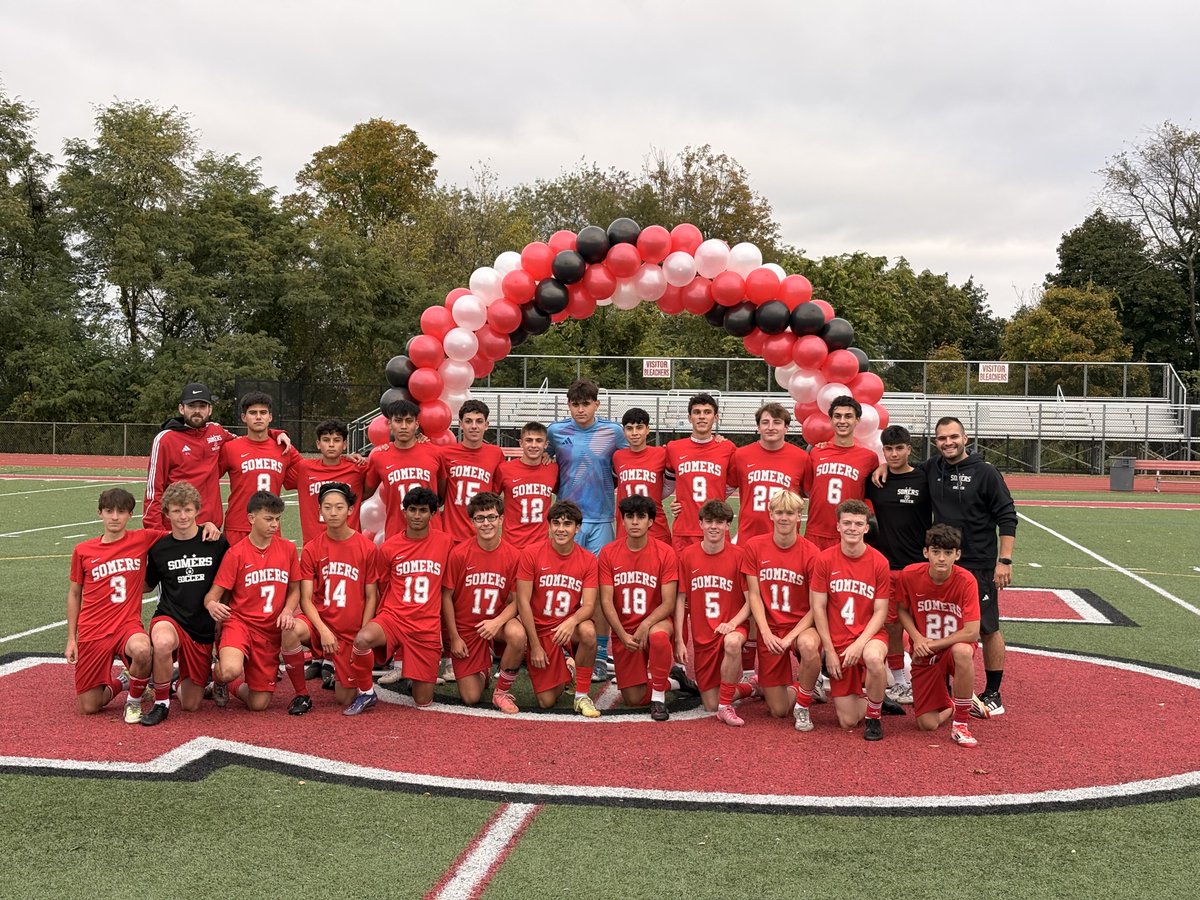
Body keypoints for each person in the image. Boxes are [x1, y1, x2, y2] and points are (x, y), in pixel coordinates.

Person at [926, 416, 1017, 717]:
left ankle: (993, 693)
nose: (948, 443)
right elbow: (904, 472)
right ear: (935, 442)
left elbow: (1007, 516)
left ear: (965, 438)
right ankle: (944, 689)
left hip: (979, 563)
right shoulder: (932, 468)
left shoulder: (985, 472)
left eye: (953, 436)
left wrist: (1004, 561)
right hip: (944, 563)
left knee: (987, 627)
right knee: (944, 624)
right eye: (942, 438)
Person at [545, 380, 626, 680]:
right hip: (567, 522)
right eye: (575, 404)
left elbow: (635, 458)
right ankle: (563, 649)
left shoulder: (613, 432)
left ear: (596, 404)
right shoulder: (556, 432)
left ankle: (601, 654)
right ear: (569, 405)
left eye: (586, 404)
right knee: (563, 586)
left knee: (603, 590)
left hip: (602, 519)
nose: (580, 409)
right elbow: (544, 457)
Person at [347, 487, 454, 712]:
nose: (417, 515)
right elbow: (383, 585)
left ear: (433, 514)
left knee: (422, 701)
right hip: (394, 618)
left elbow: (448, 589)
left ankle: (414, 670)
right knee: (363, 639)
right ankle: (366, 693)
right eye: (412, 510)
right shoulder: (389, 547)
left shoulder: (446, 543)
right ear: (404, 512)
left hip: (425, 626)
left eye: (423, 510)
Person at [282, 483, 383, 716]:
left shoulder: (367, 548)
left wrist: (363, 633)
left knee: (343, 698)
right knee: (289, 629)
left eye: (339, 507)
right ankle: (301, 694)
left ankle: (340, 671)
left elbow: (371, 595)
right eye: (327, 507)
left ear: (350, 510)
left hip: (349, 631)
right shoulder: (312, 548)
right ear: (320, 510)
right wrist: (323, 630)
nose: (333, 512)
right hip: (320, 624)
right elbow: (306, 599)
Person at [66, 488, 165, 722]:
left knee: (142, 649)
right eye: (109, 511)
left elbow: (183, 534)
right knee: (89, 706)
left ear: (130, 515)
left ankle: (134, 701)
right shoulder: (83, 550)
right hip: (93, 629)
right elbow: (74, 594)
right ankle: (125, 680)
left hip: (126, 626)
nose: (114, 517)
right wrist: (71, 638)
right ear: (99, 513)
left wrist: (207, 527)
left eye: (121, 512)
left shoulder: (142, 538)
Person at [144, 382, 290, 531]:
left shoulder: (216, 432)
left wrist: (275, 433)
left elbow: (249, 439)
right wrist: (155, 531)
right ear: (181, 409)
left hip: (211, 529)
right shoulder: (165, 439)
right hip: (178, 528)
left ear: (210, 409)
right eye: (191, 406)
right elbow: (153, 490)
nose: (197, 411)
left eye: (202, 406)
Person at [142, 481, 229, 725]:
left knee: (191, 704)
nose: (183, 516)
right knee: (162, 642)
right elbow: (147, 585)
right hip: (170, 617)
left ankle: (171, 682)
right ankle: (161, 703)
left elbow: (229, 581)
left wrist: (223, 620)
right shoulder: (159, 548)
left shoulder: (215, 541)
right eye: (177, 510)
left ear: (197, 510)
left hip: (201, 627)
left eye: (188, 510)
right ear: (166, 513)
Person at [204, 491, 300, 712]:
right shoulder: (236, 553)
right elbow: (212, 595)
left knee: (259, 704)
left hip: (269, 631)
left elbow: (294, 589)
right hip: (240, 623)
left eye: (277, 519)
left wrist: (288, 610)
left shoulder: (287, 549)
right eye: (268, 519)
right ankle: (219, 679)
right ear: (251, 518)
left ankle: (232, 687)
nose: (274, 524)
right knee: (230, 669)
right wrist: (212, 605)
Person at [598, 495, 687, 721]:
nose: (635, 522)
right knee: (633, 698)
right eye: (630, 517)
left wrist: (646, 624)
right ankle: (675, 682)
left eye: (641, 517)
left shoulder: (665, 552)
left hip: (656, 621)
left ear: (651, 521)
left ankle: (658, 698)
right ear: (623, 520)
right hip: (625, 629)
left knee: (658, 636)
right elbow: (606, 601)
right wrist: (621, 634)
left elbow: (668, 602)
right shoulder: (609, 552)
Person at [894, 524, 983, 747]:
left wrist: (932, 644)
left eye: (948, 552)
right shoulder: (910, 575)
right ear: (926, 552)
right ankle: (956, 703)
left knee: (963, 651)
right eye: (936, 552)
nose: (941, 558)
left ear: (957, 555)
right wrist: (917, 638)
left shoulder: (966, 580)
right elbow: (902, 609)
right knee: (927, 724)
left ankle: (961, 724)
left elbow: (972, 632)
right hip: (925, 651)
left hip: (949, 647)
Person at [742, 490, 823, 732]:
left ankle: (804, 703)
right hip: (771, 628)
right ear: (770, 514)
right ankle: (804, 687)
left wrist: (790, 638)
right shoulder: (755, 546)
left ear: (799, 516)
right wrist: (765, 633)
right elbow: (754, 595)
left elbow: (816, 607)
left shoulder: (811, 552)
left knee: (808, 646)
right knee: (778, 711)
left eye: (790, 513)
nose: (784, 518)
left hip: (801, 626)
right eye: (779, 512)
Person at [810, 499, 891, 741]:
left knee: (873, 658)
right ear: (838, 526)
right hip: (839, 640)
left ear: (866, 527)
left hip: (869, 636)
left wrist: (860, 644)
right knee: (847, 721)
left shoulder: (879, 562)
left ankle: (874, 717)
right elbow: (818, 607)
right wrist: (829, 651)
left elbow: (880, 612)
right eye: (847, 523)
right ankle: (877, 698)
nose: (852, 528)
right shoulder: (825, 559)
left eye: (858, 524)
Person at [441, 491, 527, 713]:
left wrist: (497, 622)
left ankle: (501, 692)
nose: (486, 523)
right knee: (471, 697)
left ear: (501, 519)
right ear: (472, 521)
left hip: (496, 623)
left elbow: (519, 601)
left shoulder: (514, 555)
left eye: (491, 517)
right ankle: (483, 669)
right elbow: (446, 597)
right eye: (480, 518)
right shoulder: (459, 554)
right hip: (467, 628)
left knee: (517, 634)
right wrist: (454, 638)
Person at [864, 424, 932, 705]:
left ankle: (927, 678)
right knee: (892, 626)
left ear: (909, 449)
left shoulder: (925, 478)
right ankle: (900, 682)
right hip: (887, 565)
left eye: (899, 448)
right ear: (883, 450)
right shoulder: (875, 480)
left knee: (922, 626)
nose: (894, 454)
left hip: (919, 566)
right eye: (888, 449)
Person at [515, 500, 602, 717]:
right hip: (541, 630)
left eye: (567, 524)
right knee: (546, 701)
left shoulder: (588, 560)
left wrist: (572, 621)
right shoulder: (532, 553)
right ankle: (569, 667)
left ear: (577, 528)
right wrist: (534, 645)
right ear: (549, 525)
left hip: (567, 629)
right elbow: (523, 602)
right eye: (556, 523)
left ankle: (581, 695)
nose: (561, 529)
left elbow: (589, 605)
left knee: (588, 631)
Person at [674, 500, 754, 726]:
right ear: (700, 524)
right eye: (709, 521)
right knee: (710, 703)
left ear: (728, 526)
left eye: (719, 522)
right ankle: (751, 687)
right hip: (703, 637)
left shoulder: (739, 555)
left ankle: (726, 707)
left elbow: (751, 601)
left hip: (732, 627)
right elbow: (680, 600)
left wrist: (733, 623)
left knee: (732, 642)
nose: (713, 527)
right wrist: (679, 639)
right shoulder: (687, 556)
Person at [218, 391, 303, 546]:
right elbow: (209, 478)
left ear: (270, 417)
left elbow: (309, 473)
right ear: (244, 417)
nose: (258, 417)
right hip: (237, 527)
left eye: (263, 413)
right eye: (253, 413)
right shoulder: (230, 448)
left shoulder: (284, 448)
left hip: (271, 525)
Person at [803, 396, 880, 550]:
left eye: (848, 416)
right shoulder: (816, 452)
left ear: (857, 420)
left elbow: (870, 496)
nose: (842, 421)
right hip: (816, 532)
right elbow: (807, 489)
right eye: (837, 416)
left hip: (849, 534)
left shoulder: (869, 458)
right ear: (831, 420)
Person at [729, 403, 810, 545]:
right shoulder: (740, 455)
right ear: (758, 427)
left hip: (785, 540)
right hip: (748, 537)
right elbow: (722, 489)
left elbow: (811, 493)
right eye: (765, 422)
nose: (771, 427)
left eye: (777, 422)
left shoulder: (801, 458)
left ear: (786, 428)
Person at [364, 398, 443, 540]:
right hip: (396, 535)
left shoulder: (435, 453)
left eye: (409, 421)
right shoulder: (379, 456)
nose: (404, 426)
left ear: (416, 424)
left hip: (431, 535)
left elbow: (443, 494)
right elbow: (364, 492)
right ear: (389, 424)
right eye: (398, 421)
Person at [665, 392, 735, 553]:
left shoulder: (727, 448)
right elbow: (667, 485)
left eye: (707, 412)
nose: (702, 417)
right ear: (690, 418)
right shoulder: (673, 448)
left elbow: (734, 483)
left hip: (716, 527)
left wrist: (717, 497)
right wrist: (678, 500)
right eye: (697, 412)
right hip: (684, 530)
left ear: (715, 417)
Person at [287, 419, 367, 547]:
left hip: (349, 545)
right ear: (318, 444)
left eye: (337, 440)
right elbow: (277, 459)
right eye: (326, 440)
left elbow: (379, 473)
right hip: (314, 546)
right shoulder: (304, 468)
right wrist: (277, 433)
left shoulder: (357, 468)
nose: (331, 445)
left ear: (344, 445)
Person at [438, 400, 506, 545]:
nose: (474, 426)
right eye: (468, 421)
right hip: (452, 534)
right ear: (460, 424)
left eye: (479, 421)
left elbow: (494, 493)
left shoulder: (496, 454)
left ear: (486, 425)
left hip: (482, 534)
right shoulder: (445, 454)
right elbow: (441, 492)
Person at [612, 407, 672, 547]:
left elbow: (673, 482)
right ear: (624, 431)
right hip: (626, 526)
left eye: (639, 427)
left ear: (647, 429)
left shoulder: (662, 453)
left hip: (655, 526)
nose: (634, 433)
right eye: (629, 428)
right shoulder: (618, 457)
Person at [499, 421, 559, 550]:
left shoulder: (553, 469)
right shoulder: (504, 469)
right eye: (529, 440)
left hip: (540, 546)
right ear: (521, 443)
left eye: (539, 440)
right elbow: (492, 498)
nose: (533, 445)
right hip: (512, 544)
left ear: (546, 444)